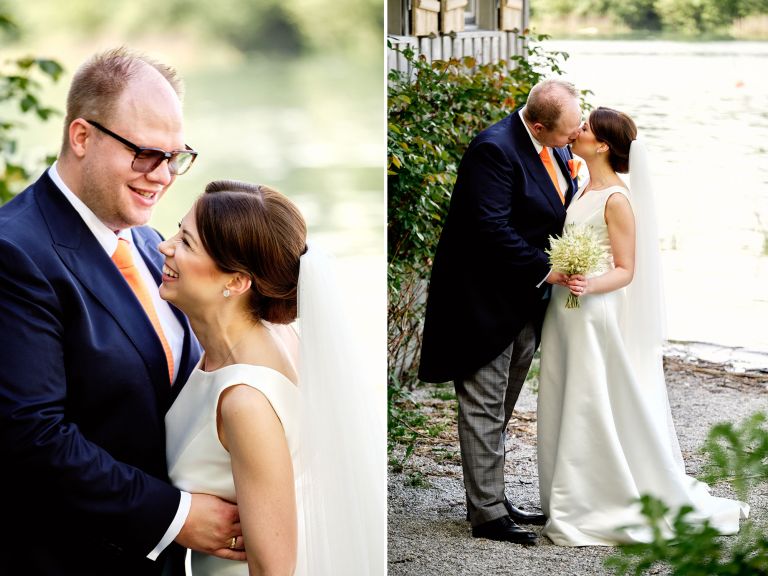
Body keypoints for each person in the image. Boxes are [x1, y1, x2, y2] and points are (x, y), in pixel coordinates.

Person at [0, 48, 245, 575]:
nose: (162, 176)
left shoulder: (153, 242)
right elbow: (31, 434)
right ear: (82, 137)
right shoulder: (14, 252)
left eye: (175, 157)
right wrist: (176, 517)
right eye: (145, 154)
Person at [537, 106, 750, 546]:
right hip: (564, 308)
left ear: (602, 146)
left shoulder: (617, 198)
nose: (577, 130)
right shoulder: (580, 188)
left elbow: (626, 269)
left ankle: (593, 497)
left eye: (586, 128)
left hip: (592, 310)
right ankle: (564, 492)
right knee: (564, 390)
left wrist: (589, 283)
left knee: (589, 398)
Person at [161, 180, 385, 575]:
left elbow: (273, 568)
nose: (165, 247)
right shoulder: (277, 336)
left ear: (236, 282)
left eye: (187, 243)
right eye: (178, 231)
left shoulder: (246, 401)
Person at [418, 79, 582, 543]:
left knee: (502, 402)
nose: (574, 139)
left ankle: (494, 497)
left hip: (526, 300)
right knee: (484, 406)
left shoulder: (553, 146)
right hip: (482, 301)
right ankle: (487, 515)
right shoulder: (493, 150)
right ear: (536, 124)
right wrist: (547, 267)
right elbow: (487, 227)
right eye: (567, 133)